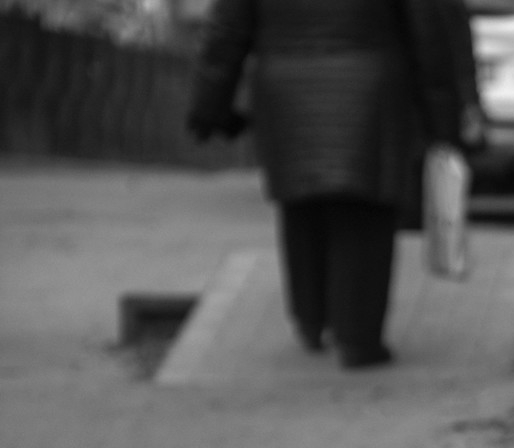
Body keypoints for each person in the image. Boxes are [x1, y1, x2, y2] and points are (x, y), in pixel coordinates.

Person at [186, 0, 471, 370]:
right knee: (365, 217)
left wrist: (209, 107)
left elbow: (225, 32)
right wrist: (443, 124)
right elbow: (428, 35)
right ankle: (359, 337)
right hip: (372, 90)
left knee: (301, 205)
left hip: (286, 90)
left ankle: (311, 320)